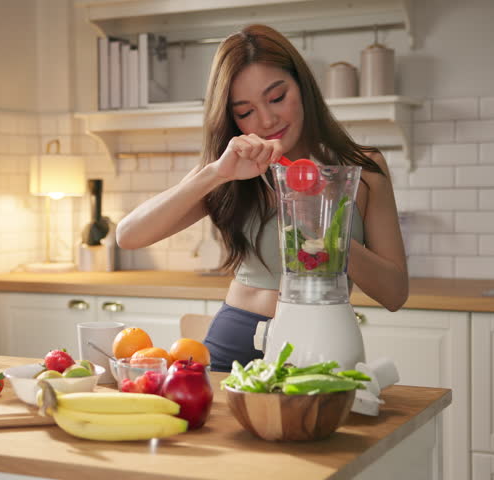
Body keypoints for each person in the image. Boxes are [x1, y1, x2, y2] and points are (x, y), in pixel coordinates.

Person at [115, 24, 409, 373]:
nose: (267, 120)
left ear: (302, 85)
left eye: (276, 97)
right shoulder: (231, 170)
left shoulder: (363, 170)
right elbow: (128, 235)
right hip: (233, 345)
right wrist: (216, 174)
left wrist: (324, 226)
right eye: (245, 111)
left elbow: (394, 294)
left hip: (318, 342)